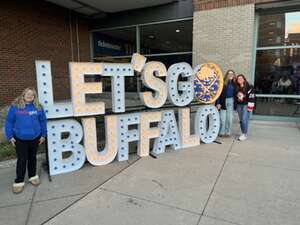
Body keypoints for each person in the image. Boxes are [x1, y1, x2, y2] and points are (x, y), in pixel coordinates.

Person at [5, 87, 47, 194]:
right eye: (27, 94)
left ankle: (32, 176)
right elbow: (9, 122)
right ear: (23, 95)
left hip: (35, 137)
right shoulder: (15, 107)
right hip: (20, 138)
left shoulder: (38, 107)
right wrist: (10, 136)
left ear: (34, 97)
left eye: (32, 95)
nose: (29, 96)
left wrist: (43, 135)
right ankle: (19, 181)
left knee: (32, 157)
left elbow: (43, 122)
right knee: (22, 159)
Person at [235, 74, 255, 141]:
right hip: (239, 105)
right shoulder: (237, 87)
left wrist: (250, 107)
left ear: (244, 79)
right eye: (238, 79)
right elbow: (235, 97)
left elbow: (252, 97)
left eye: (241, 78)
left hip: (246, 105)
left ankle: (244, 134)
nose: (240, 80)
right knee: (241, 120)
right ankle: (243, 132)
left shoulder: (249, 87)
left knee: (244, 119)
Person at [216, 70, 236, 137]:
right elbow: (218, 94)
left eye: (232, 74)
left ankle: (228, 132)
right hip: (223, 101)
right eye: (229, 73)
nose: (230, 75)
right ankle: (222, 131)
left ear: (233, 75)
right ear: (226, 74)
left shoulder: (235, 83)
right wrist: (218, 103)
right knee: (222, 118)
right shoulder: (222, 83)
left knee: (229, 118)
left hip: (231, 101)